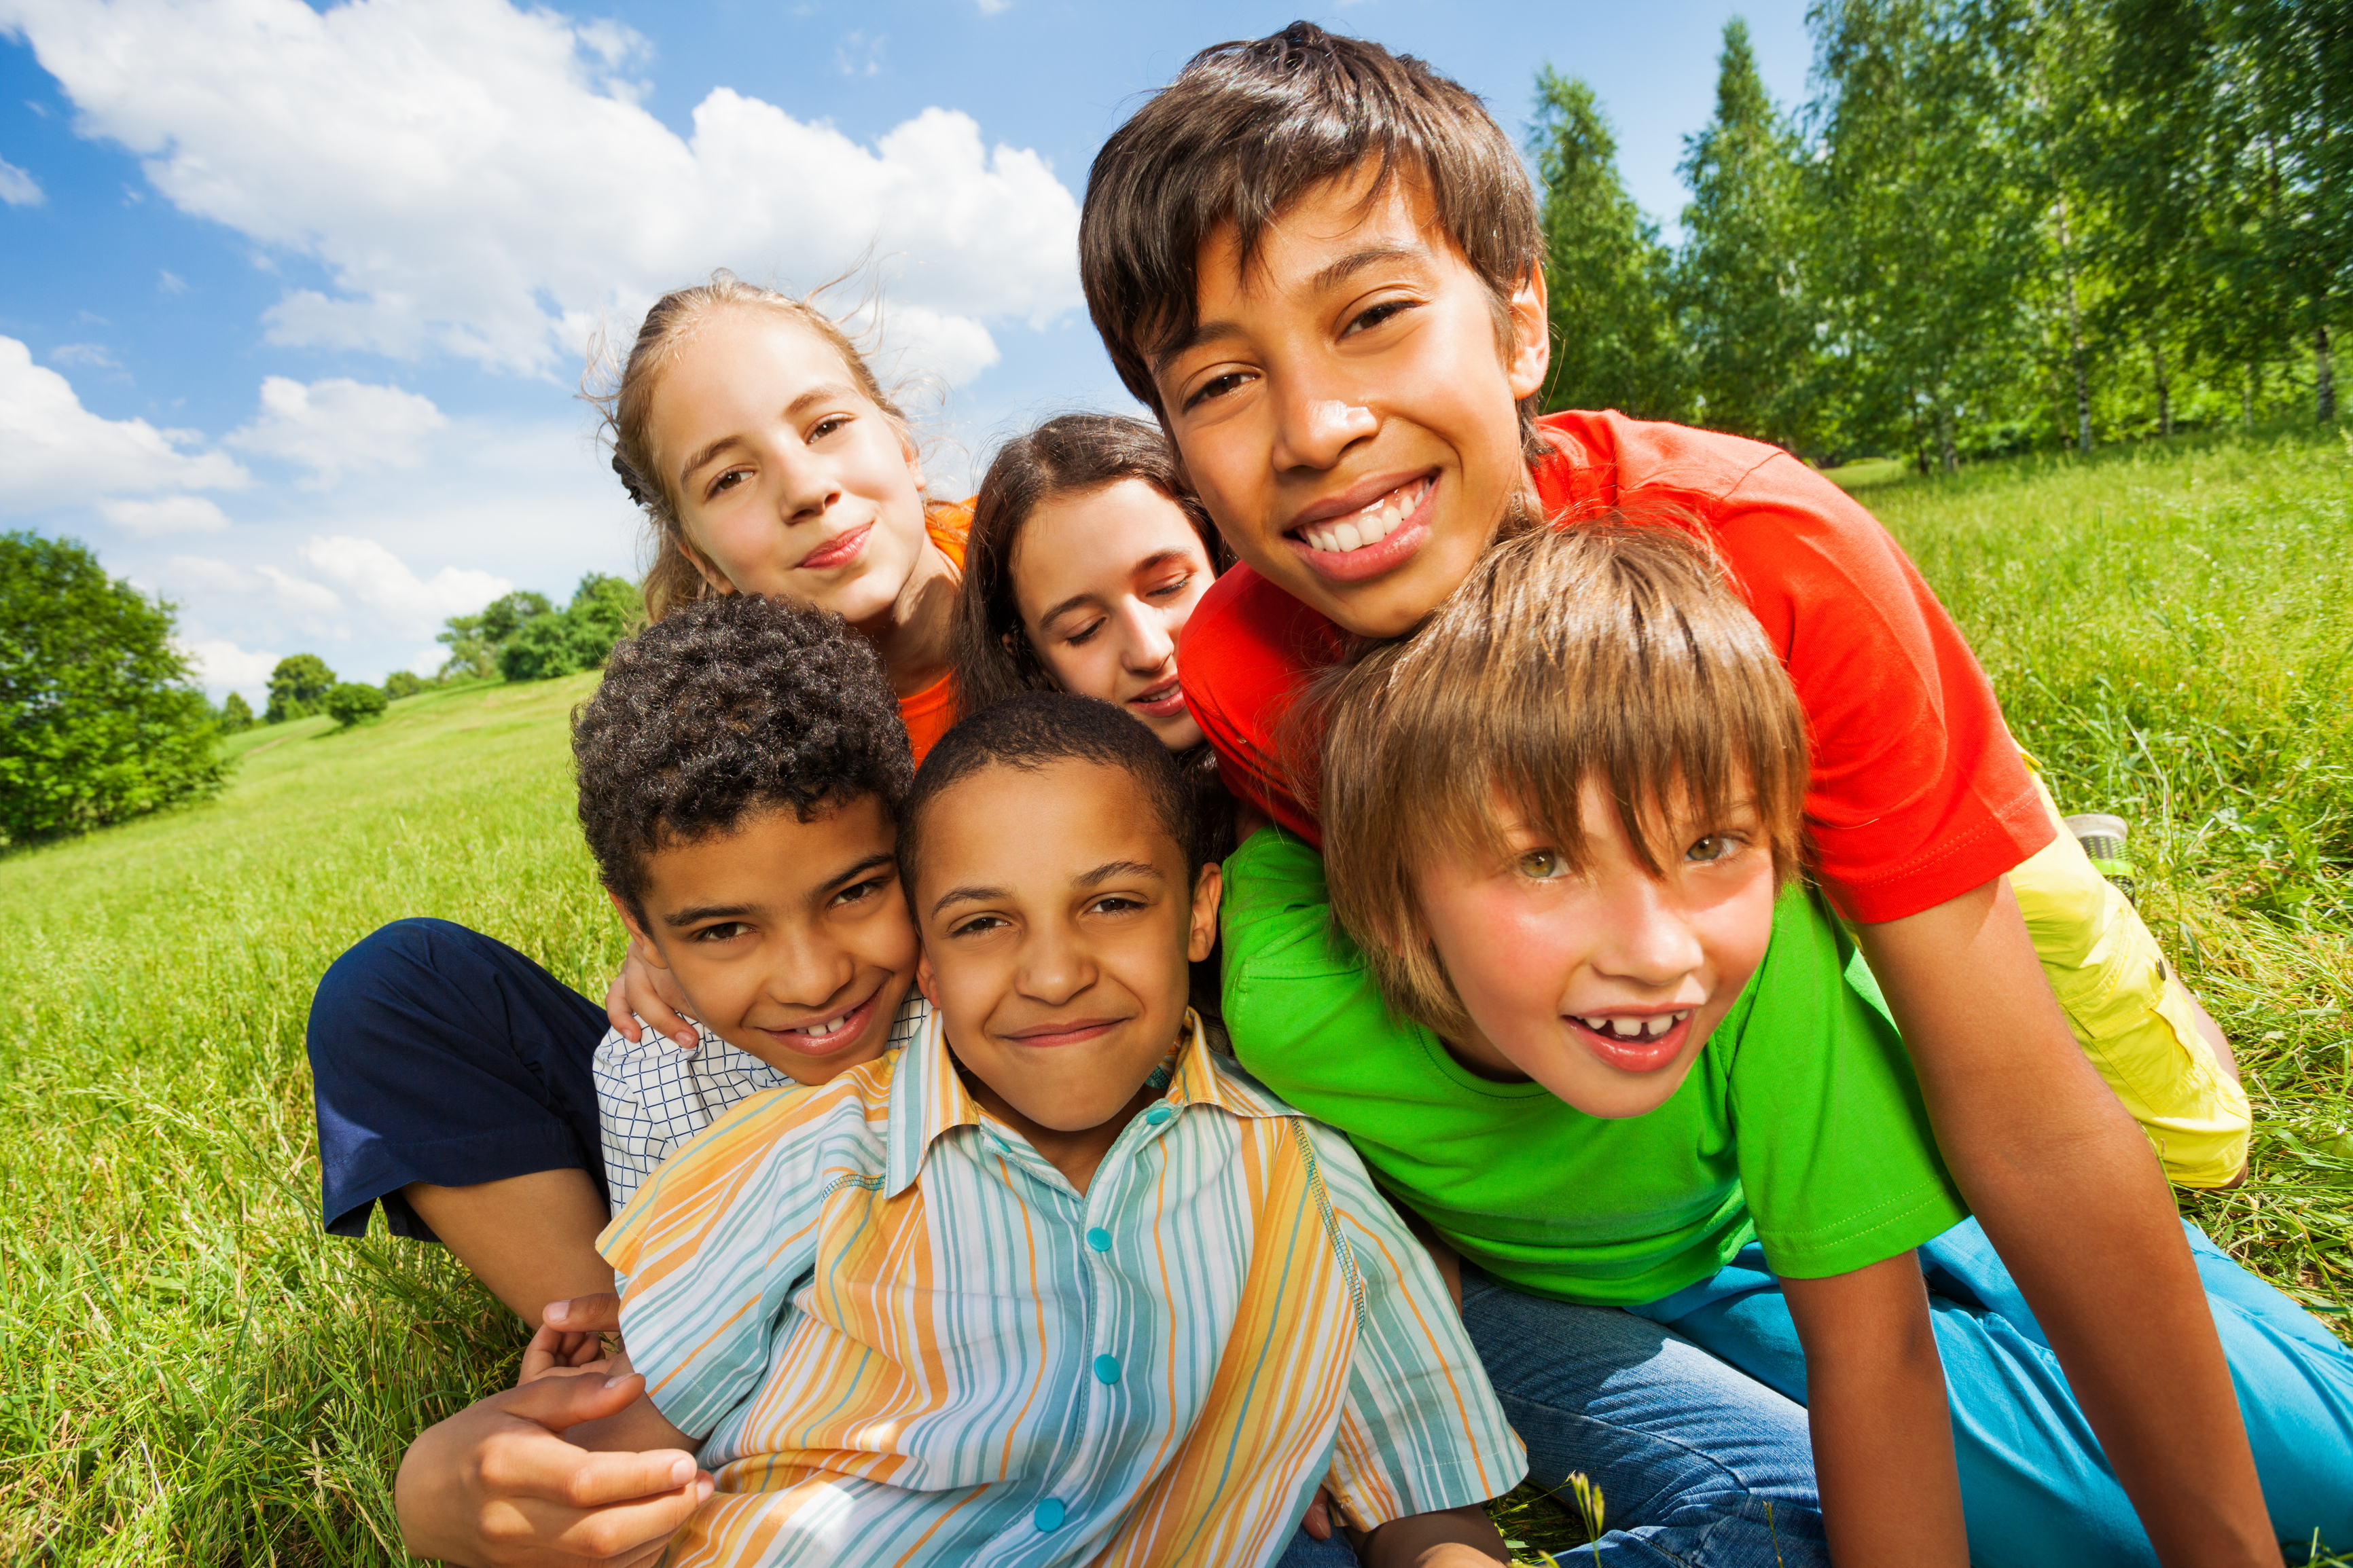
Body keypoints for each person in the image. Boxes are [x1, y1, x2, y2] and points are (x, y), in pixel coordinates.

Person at [1077, 24, 2271, 1560]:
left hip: (1918, 975)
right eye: (1225, 381)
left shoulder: (1772, 561)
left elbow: (2022, 1111)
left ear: (1518, 326)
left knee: (2284, 1449)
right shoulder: (1246, 671)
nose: (1313, 429)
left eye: (1371, 316)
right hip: (1699, 1153)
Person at [1223, 524, 2353, 1565]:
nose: (1656, 951)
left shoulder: (1769, 959)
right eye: (1544, 860)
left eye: (1711, 840)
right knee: (2078, 1535)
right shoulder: (1284, 994)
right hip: (1630, 1292)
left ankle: (2048, 874)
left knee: (2330, 1466)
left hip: (1847, 1160)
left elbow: (1874, 1338)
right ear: (1388, 896)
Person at [523, 689, 1526, 1567]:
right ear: (926, 954)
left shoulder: (1306, 1182)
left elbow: (1426, 1502)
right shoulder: (814, 1152)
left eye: (1114, 903)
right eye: (981, 923)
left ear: (1199, 911)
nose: (1053, 975)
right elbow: (613, 1456)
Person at [307, 274, 968, 1338]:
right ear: (700, 549)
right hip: (778, 1068)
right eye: (731, 477)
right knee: (391, 989)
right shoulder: (714, 703)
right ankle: (642, 1348)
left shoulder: (1062, 574)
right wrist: (682, 948)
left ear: (902, 440)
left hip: (1004, 1039)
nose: (806, 488)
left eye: (829, 424)